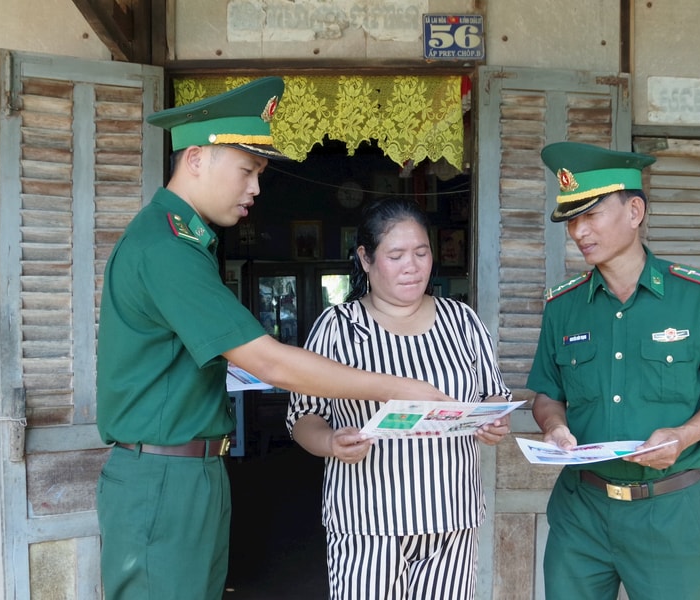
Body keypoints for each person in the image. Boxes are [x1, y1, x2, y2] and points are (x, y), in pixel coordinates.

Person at [95, 78, 452, 600]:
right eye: (247, 171)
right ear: (196, 158)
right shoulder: (166, 248)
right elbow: (272, 363)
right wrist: (402, 387)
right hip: (163, 480)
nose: (256, 190)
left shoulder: (184, 242)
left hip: (187, 471)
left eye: (258, 174)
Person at [527, 142, 700, 600]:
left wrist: (683, 436)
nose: (579, 231)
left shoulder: (699, 297)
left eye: (591, 215)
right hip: (580, 513)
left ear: (634, 211)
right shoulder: (563, 306)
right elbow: (547, 394)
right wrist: (553, 426)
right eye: (572, 219)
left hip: (667, 512)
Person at [287, 197, 513, 600]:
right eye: (396, 255)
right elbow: (304, 415)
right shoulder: (339, 327)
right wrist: (329, 443)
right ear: (366, 259)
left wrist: (493, 420)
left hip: (452, 518)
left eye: (421, 252)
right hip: (366, 522)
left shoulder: (462, 322)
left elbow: (491, 393)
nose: (413, 265)